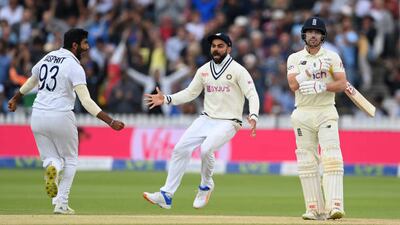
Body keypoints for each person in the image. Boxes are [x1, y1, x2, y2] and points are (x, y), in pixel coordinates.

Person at [7, 28, 125, 214]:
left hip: (37, 116)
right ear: (75, 45)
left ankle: (52, 170)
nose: (87, 47)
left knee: (50, 158)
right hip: (61, 115)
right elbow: (86, 101)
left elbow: (32, 81)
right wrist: (110, 121)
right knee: (70, 159)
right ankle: (61, 203)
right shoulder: (74, 67)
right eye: (85, 43)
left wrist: (15, 98)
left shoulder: (48, 57)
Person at [143, 33, 259, 209]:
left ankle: (205, 185)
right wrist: (166, 99)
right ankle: (166, 194)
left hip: (229, 121)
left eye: (220, 46)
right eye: (214, 46)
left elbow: (252, 94)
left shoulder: (238, 70)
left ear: (228, 48)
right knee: (180, 149)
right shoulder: (204, 69)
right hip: (206, 118)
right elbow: (190, 93)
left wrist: (253, 114)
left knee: (206, 149)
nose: (216, 49)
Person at [286, 17, 347, 220]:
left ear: (322, 35)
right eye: (310, 32)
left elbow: (342, 84)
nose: (313, 35)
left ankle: (335, 206)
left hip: (325, 110)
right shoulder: (294, 58)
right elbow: (293, 85)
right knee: (306, 161)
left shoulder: (332, 57)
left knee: (331, 156)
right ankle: (314, 208)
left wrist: (323, 86)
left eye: (317, 32)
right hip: (302, 112)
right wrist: (309, 71)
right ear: (304, 35)